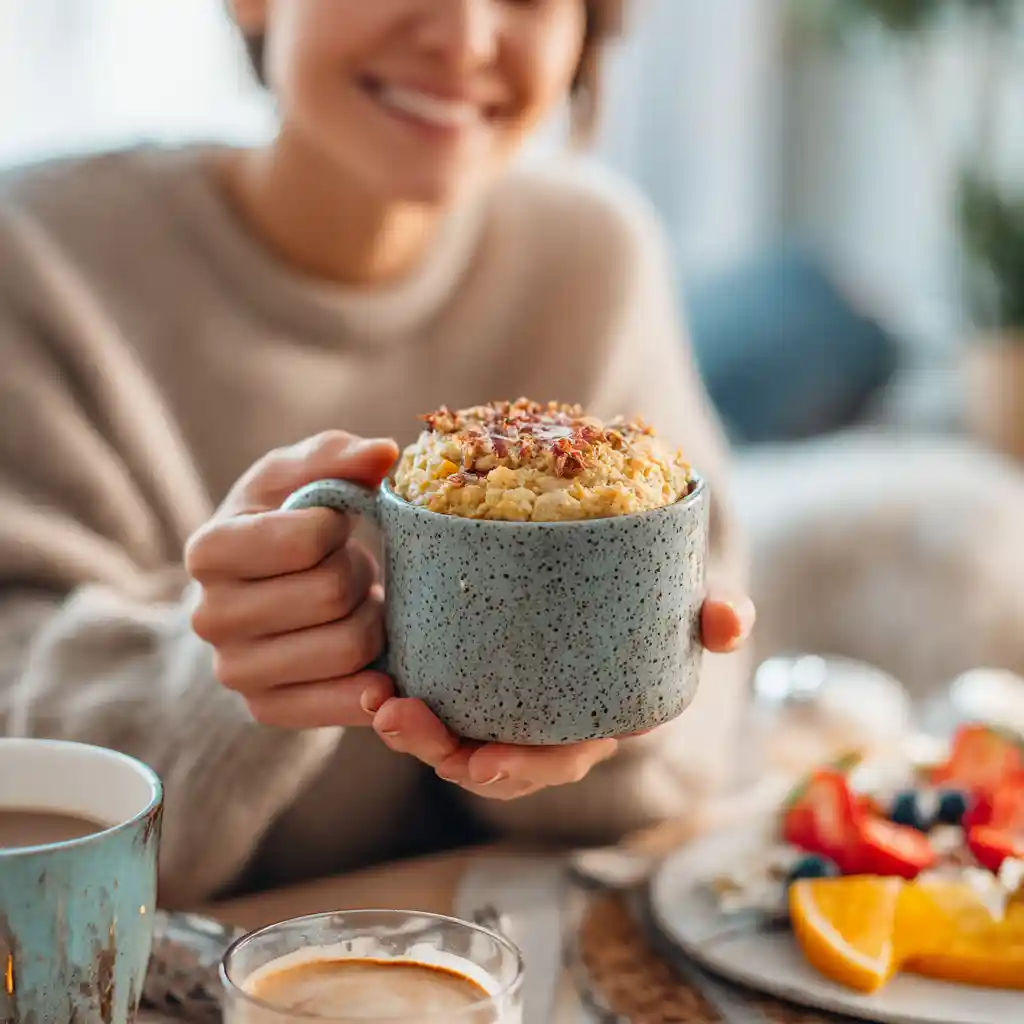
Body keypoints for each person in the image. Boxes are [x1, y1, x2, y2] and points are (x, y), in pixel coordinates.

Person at [0, 0, 754, 909]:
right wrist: (215, 679)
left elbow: (701, 720)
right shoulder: (37, 260)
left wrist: (606, 712)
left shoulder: (593, 260)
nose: (467, 38)